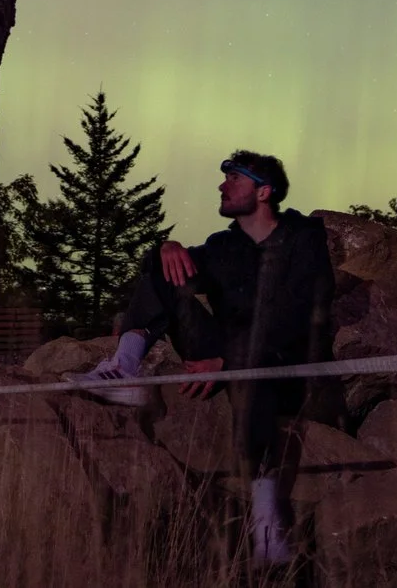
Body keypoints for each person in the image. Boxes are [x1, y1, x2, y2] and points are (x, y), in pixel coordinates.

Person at [73, 149, 334, 566]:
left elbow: (299, 319)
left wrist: (227, 364)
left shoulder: (304, 239)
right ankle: (124, 368)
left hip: (284, 361)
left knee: (256, 377)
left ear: (263, 191)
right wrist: (166, 247)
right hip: (224, 352)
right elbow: (163, 272)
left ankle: (268, 525)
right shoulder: (222, 246)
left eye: (234, 178)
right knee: (163, 270)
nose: (222, 185)